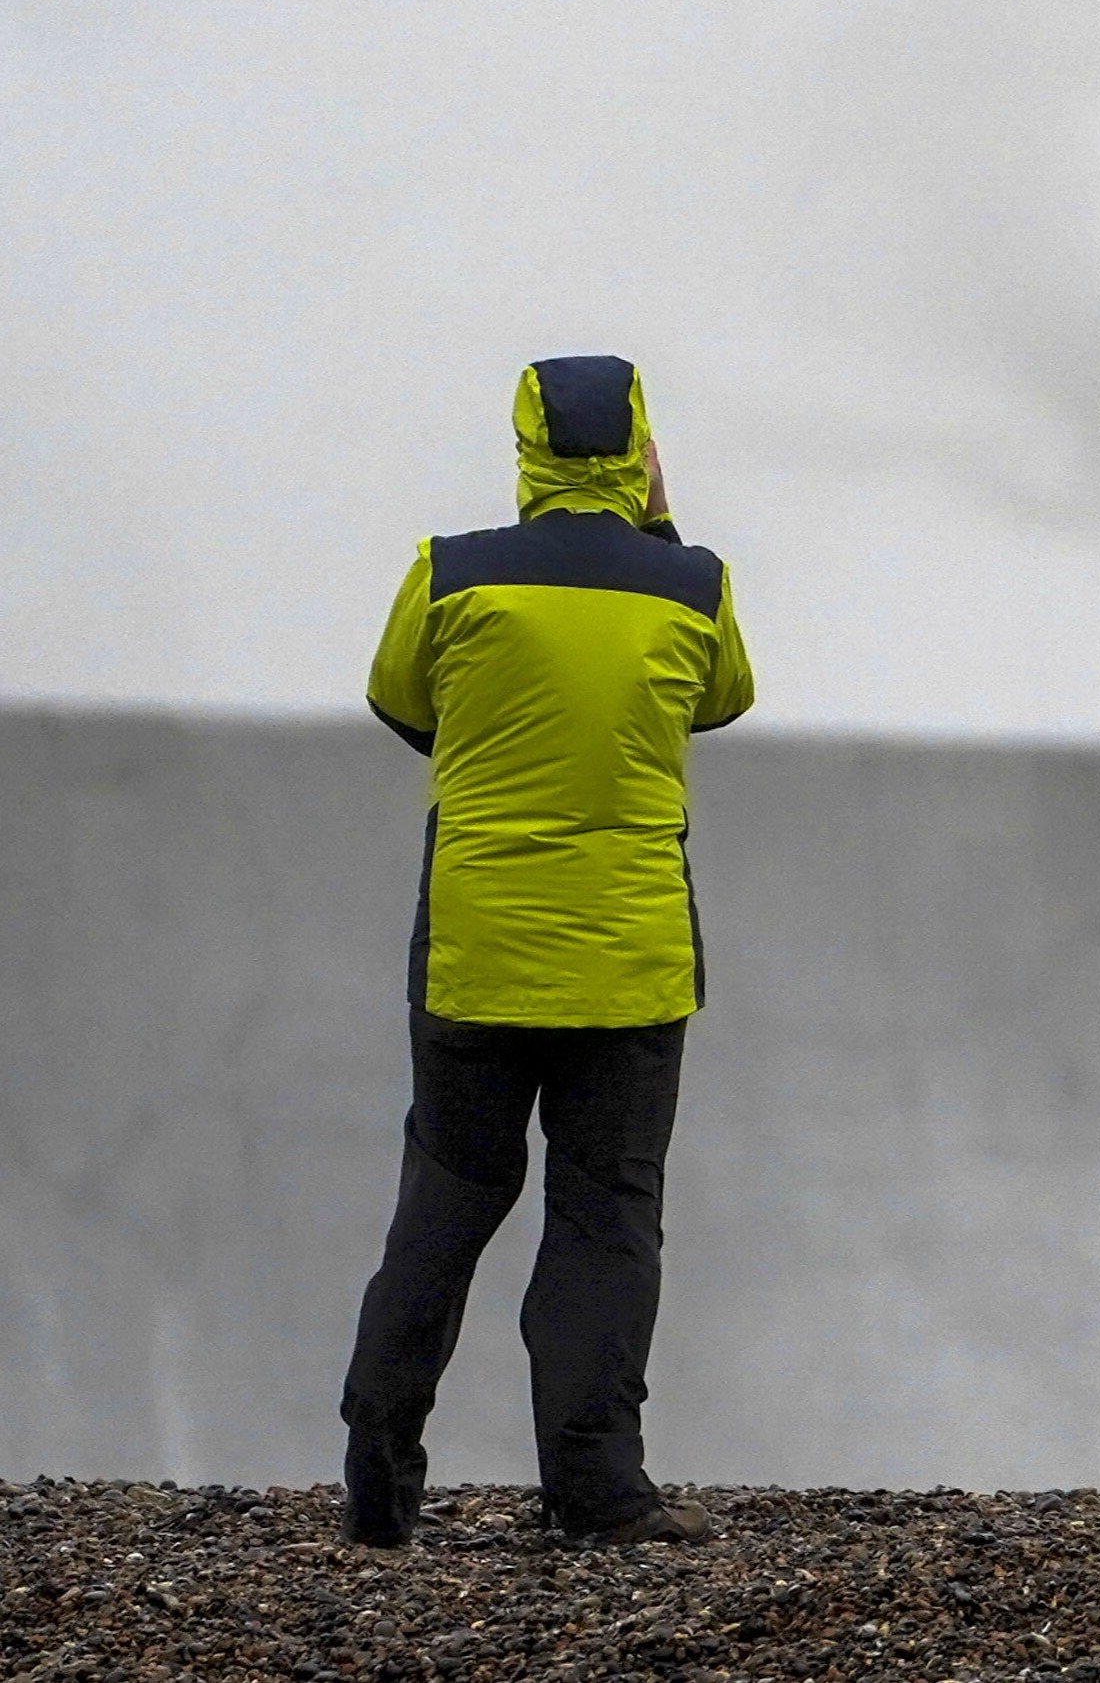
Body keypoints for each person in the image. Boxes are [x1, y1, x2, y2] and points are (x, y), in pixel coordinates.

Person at [338, 356, 752, 1548]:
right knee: (604, 1215)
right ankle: (598, 1491)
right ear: (639, 447)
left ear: (526, 443)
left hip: (476, 946)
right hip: (628, 961)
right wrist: (659, 524)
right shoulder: (693, 588)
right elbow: (718, 701)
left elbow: (401, 702)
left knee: (450, 1194)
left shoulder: (451, 572)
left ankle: (380, 1457)